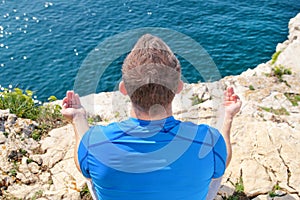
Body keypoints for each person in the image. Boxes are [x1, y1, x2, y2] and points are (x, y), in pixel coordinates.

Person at [61, 34, 242, 200]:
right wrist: (228, 116)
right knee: (215, 170)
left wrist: (78, 117)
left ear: (123, 88)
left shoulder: (94, 141)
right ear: (179, 87)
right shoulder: (208, 139)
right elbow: (223, 159)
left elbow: (80, 163)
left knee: (90, 172)